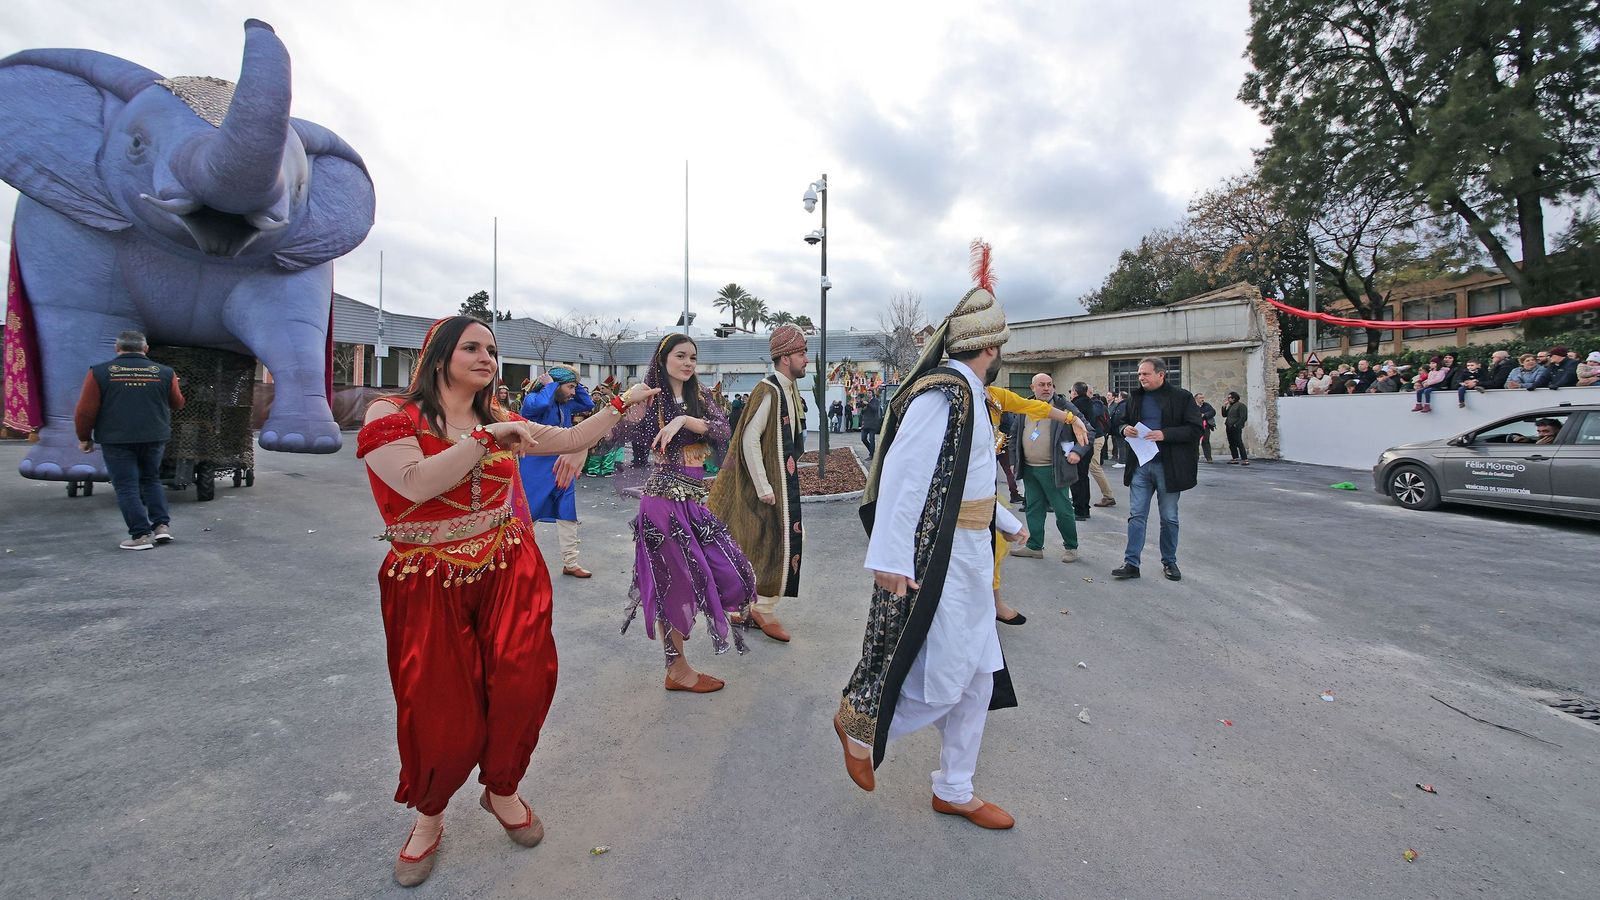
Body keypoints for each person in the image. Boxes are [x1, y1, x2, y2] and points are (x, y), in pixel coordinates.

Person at [356, 316, 656, 887]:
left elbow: (569, 440)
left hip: (507, 567)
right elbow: (415, 483)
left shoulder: (499, 417)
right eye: (472, 347)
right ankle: (429, 815)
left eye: (492, 349)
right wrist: (483, 441)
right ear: (439, 356)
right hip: (427, 578)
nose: (486, 356)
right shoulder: (392, 415)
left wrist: (622, 403)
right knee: (437, 700)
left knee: (524, 680)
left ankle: (502, 789)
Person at [834, 250, 1025, 830]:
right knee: (949, 675)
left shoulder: (967, 394)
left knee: (978, 678)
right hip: (941, 563)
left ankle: (956, 788)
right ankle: (863, 720)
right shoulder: (946, 393)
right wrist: (890, 555)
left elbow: (966, 487)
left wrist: (1007, 522)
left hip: (969, 555)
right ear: (991, 348)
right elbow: (905, 474)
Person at [615, 334, 758, 694]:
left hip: (693, 501)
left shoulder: (701, 396)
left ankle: (679, 663)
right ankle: (676, 668)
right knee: (672, 585)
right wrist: (628, 407)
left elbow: (725, 431)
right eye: (681, 356)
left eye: (693, 356)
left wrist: (685, 422)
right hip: (662, 504)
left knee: (727, 569)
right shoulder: (650, 396)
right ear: (663, 359)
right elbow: (627, 432)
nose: (688, 362)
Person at [708, 325, 810, 644]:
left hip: (781, 483)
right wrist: (764, 486)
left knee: (770, 543)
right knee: (770, 542)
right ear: (784, 358)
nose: (806, 359)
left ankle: (754, 606)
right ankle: (760, 608)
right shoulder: (768, 390)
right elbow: (750, 438)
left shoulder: (787, 389)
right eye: (801, 353)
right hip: (766, 488)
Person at [73, 330, 186, 550]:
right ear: (145, 349)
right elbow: (177, 404)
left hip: (117, 440)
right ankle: (161, 527)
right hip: (154, 437)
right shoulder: (164, 372)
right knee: (151, 479)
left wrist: (84, 437)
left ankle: (140, 536)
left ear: (117, 348)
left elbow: (85, 411)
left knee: (126, 486)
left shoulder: (100, 372)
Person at [1112, 358, 1202, 582]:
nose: (1141, 378)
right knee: (1136, 516)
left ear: (1161, 375)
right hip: (1140, 466)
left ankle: (1169, 561)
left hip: (1169, 467)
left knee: (1169, 518)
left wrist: (1165, 434)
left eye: (1145, 374)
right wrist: (1125, 429)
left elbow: (1194, 429)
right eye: (1139, 374)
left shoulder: (1182, 397)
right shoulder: (1135, 398)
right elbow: (1119, 422)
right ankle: (1131, 563)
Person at [519, 367, 595, 577]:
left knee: (567, 513)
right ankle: (517, 561)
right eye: (570, 387)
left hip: (562, 464)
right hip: (535, 468)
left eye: (574, 388)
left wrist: (575, 384)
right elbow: (543, 403)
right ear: (555, 385)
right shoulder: (532, 399)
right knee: (528, 514)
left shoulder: (566, 404)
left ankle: (570, 563)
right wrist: (550, 385)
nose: (573, 392)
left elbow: (588, 404)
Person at [1007, 373, 1084, 567]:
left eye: (1050, 384)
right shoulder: (1025, 407)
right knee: (1033, 508)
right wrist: (1014, 460)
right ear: (1032, 388)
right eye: (1041, 385)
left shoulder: (1064, 407)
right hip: (1030, 469)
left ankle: (1071, 546)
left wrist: (1078, 451)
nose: (1046, 388)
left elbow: (1087, 430)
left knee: (1063, 510)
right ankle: (1034, 546)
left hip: (1054, 469)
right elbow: (1015, 434)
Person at [1067, 383, 1099, 521]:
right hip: (1087, 445)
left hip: (1079, 445)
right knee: (1083, 477)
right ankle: (1084, 507)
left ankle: (1079, 508)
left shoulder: (1076, 405)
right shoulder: (1089, 403)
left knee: (1076, 478)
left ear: (1074, 392)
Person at [1222, 391, 1249, 465]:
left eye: (1229, 398)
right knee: (1231, 443)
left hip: (1236, 427)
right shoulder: (1231, 406)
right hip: (1229, 426)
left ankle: (1245, 459)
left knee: (1239, 442)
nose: (1228, 399)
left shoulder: (1241, 405)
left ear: (1234, 398)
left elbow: (1243, 417)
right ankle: (1235, 458)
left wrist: (1236, 425)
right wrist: (1224, 407)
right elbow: (1224, 415)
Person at [859, 393, 883, 460]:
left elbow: (875, 409)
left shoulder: (876, 401)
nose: (868, 394)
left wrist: (868, 404)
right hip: (865, 423)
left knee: (871, 439)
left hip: (873, 423)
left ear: (872, 394)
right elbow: (862, 411)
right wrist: (862, 406)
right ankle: (872, 451)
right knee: (863, 438)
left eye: (869, 393)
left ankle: (871, 455)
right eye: (867, 393)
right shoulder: (866, 400)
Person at [1195, 393, 1216, 463]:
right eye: (1200, 398)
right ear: (1196, 399)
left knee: (1206, 441)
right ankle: (1195, 457)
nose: (1202, 399)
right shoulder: (1192, 406)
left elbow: (1213, 412)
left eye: (1203, 397)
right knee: (1195, 442)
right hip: (1196, 426)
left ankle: (1209, 458)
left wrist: (1205, 415)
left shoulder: (1206, 405)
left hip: (1206, 426)